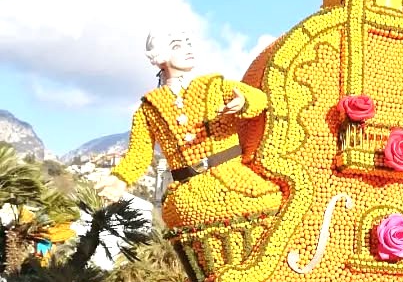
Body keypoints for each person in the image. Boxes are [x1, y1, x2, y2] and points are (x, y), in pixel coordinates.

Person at [96, 27, 283, 233]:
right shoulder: (149, 108)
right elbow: (139, 154)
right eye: (177, 45)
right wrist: (119, 179)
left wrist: (244, 102)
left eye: (188, 44)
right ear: (160, 57)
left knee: (267, 201)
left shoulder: (214, 85)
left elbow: (260, 99)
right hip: (187, 190)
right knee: (182, 213)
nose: (187, 49)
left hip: (233, 178)